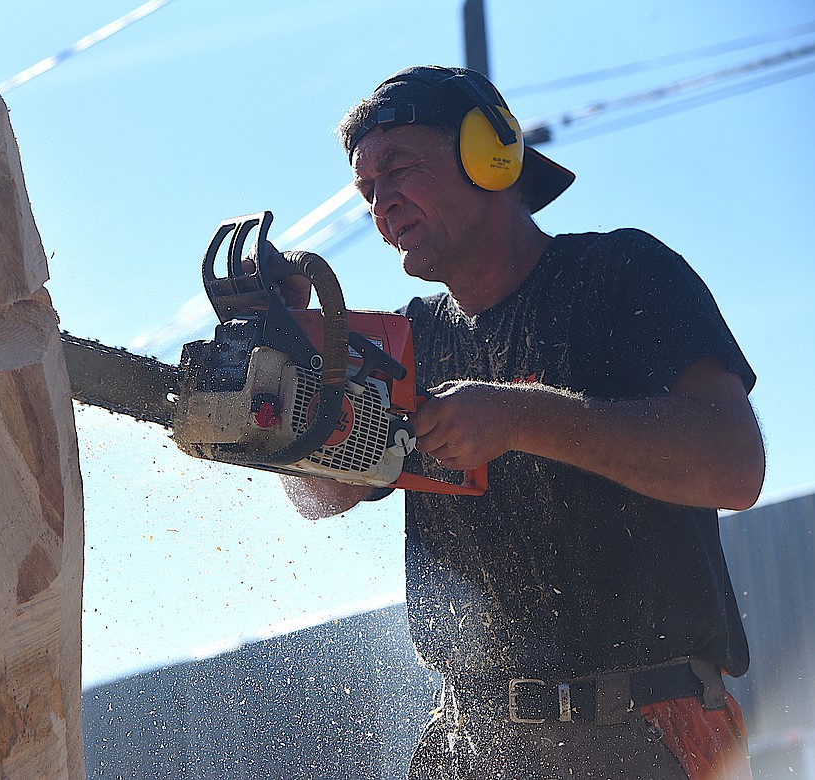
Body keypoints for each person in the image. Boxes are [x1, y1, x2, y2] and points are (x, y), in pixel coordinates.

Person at [280, 66, 766, 779]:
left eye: (398, 169)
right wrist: (295, 360)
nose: (381, 205)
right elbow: (318, 496)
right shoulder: (406, 343)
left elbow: (735, 463)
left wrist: (520, 416)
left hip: (640, 732)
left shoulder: (619, 274)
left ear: (491, 153)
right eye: (366, 190)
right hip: (473, 743)